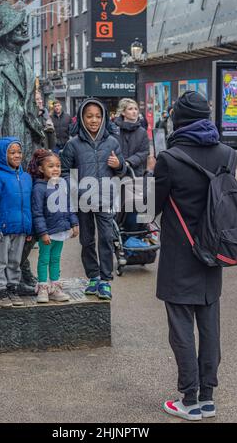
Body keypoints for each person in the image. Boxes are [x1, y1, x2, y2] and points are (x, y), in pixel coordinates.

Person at [150, 91, 237, 421]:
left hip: (180, 253)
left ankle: (188, 398)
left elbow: (150, 208)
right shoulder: (228, 154)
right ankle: (208, 397)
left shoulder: (169, 159)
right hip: (213, 251)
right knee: (210, 325)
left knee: (181, 327)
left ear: (179, 119)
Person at [0, 1, 45, 295]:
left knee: (36, 216)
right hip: (6, 153)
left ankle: (21, 266)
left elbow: (28, 108)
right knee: (11, 220)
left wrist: (42, 129)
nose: (25, 28)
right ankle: (12, 274)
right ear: (6, 32)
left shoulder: (26, 64)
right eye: (19, 25)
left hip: (31, 147)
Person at [61, 98, 127, 300]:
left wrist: (118, 165)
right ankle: (93, 277)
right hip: (83, 200)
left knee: (106, 237)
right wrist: (75, 190)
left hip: (105, 197)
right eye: (89, 116)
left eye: (98, 116)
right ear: (81, 118)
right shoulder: (73, 145)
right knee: (87, 240)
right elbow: (64, 172)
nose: (94, 120)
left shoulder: (112, 142)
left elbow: (122, 169)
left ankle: (106, 280)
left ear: (104, 118)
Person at [0, 137, 32, 308]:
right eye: (12, 152)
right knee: (1, 260)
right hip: (3, 229)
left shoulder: (26, 177)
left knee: (15, 260)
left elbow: (28, 205)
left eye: (19, 152)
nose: (17, 155)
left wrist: (29, 227)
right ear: (3, 155)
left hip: (21, 228)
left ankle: (12, 287)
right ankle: (0, 289)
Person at [29, 149, 79, 303]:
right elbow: (37, 213)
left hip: (61, 229)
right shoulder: (39, 188)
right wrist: (43, 232)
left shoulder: (62, 185)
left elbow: (68, 206)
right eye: (51, 166)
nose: (56, 169)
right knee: (44, 259)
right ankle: (43, 288)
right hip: (48, 232)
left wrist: (74, 223)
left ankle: (55, 287)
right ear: (41, 169)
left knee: (56, 258)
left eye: (58, 166)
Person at [114, 98, 150, 177]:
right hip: (115, 172)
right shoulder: (114, 130)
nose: (134, 112)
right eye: (130, 109)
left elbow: (144, 152)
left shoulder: (142, 132)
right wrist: (118, 163)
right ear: (123, 112)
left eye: (136, 109)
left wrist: (129, 162)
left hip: (135, 173)